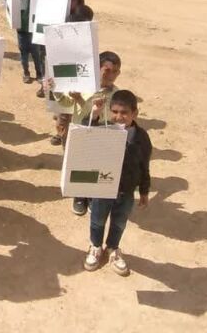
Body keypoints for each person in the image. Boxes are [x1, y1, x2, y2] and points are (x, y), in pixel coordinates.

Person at [82, 90, 152, 277]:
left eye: (124, 113)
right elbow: (84, 132)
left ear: (135, 113)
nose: (119, 117)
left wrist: (144, 191)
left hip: (126, 192)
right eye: (114, 111)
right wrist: (95, 113)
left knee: (119, 223)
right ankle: (96, 247)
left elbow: (145, 166)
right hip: (103, 187)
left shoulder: (142, 138)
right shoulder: (105, 129)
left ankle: (113, 248)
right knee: (97, 220)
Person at [46, 51, 122, 215]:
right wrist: (56, 90)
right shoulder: (84, 86)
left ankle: (93, 195)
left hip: (101, 134)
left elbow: (106, 116)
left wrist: (81, 100)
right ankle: (80, 196)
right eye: (107, 70)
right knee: (77, 163)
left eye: (115, 71)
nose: (111, 75)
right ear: (97, 68)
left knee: (96, 164)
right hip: (79, 132)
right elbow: (66, 102)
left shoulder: (116, 94)